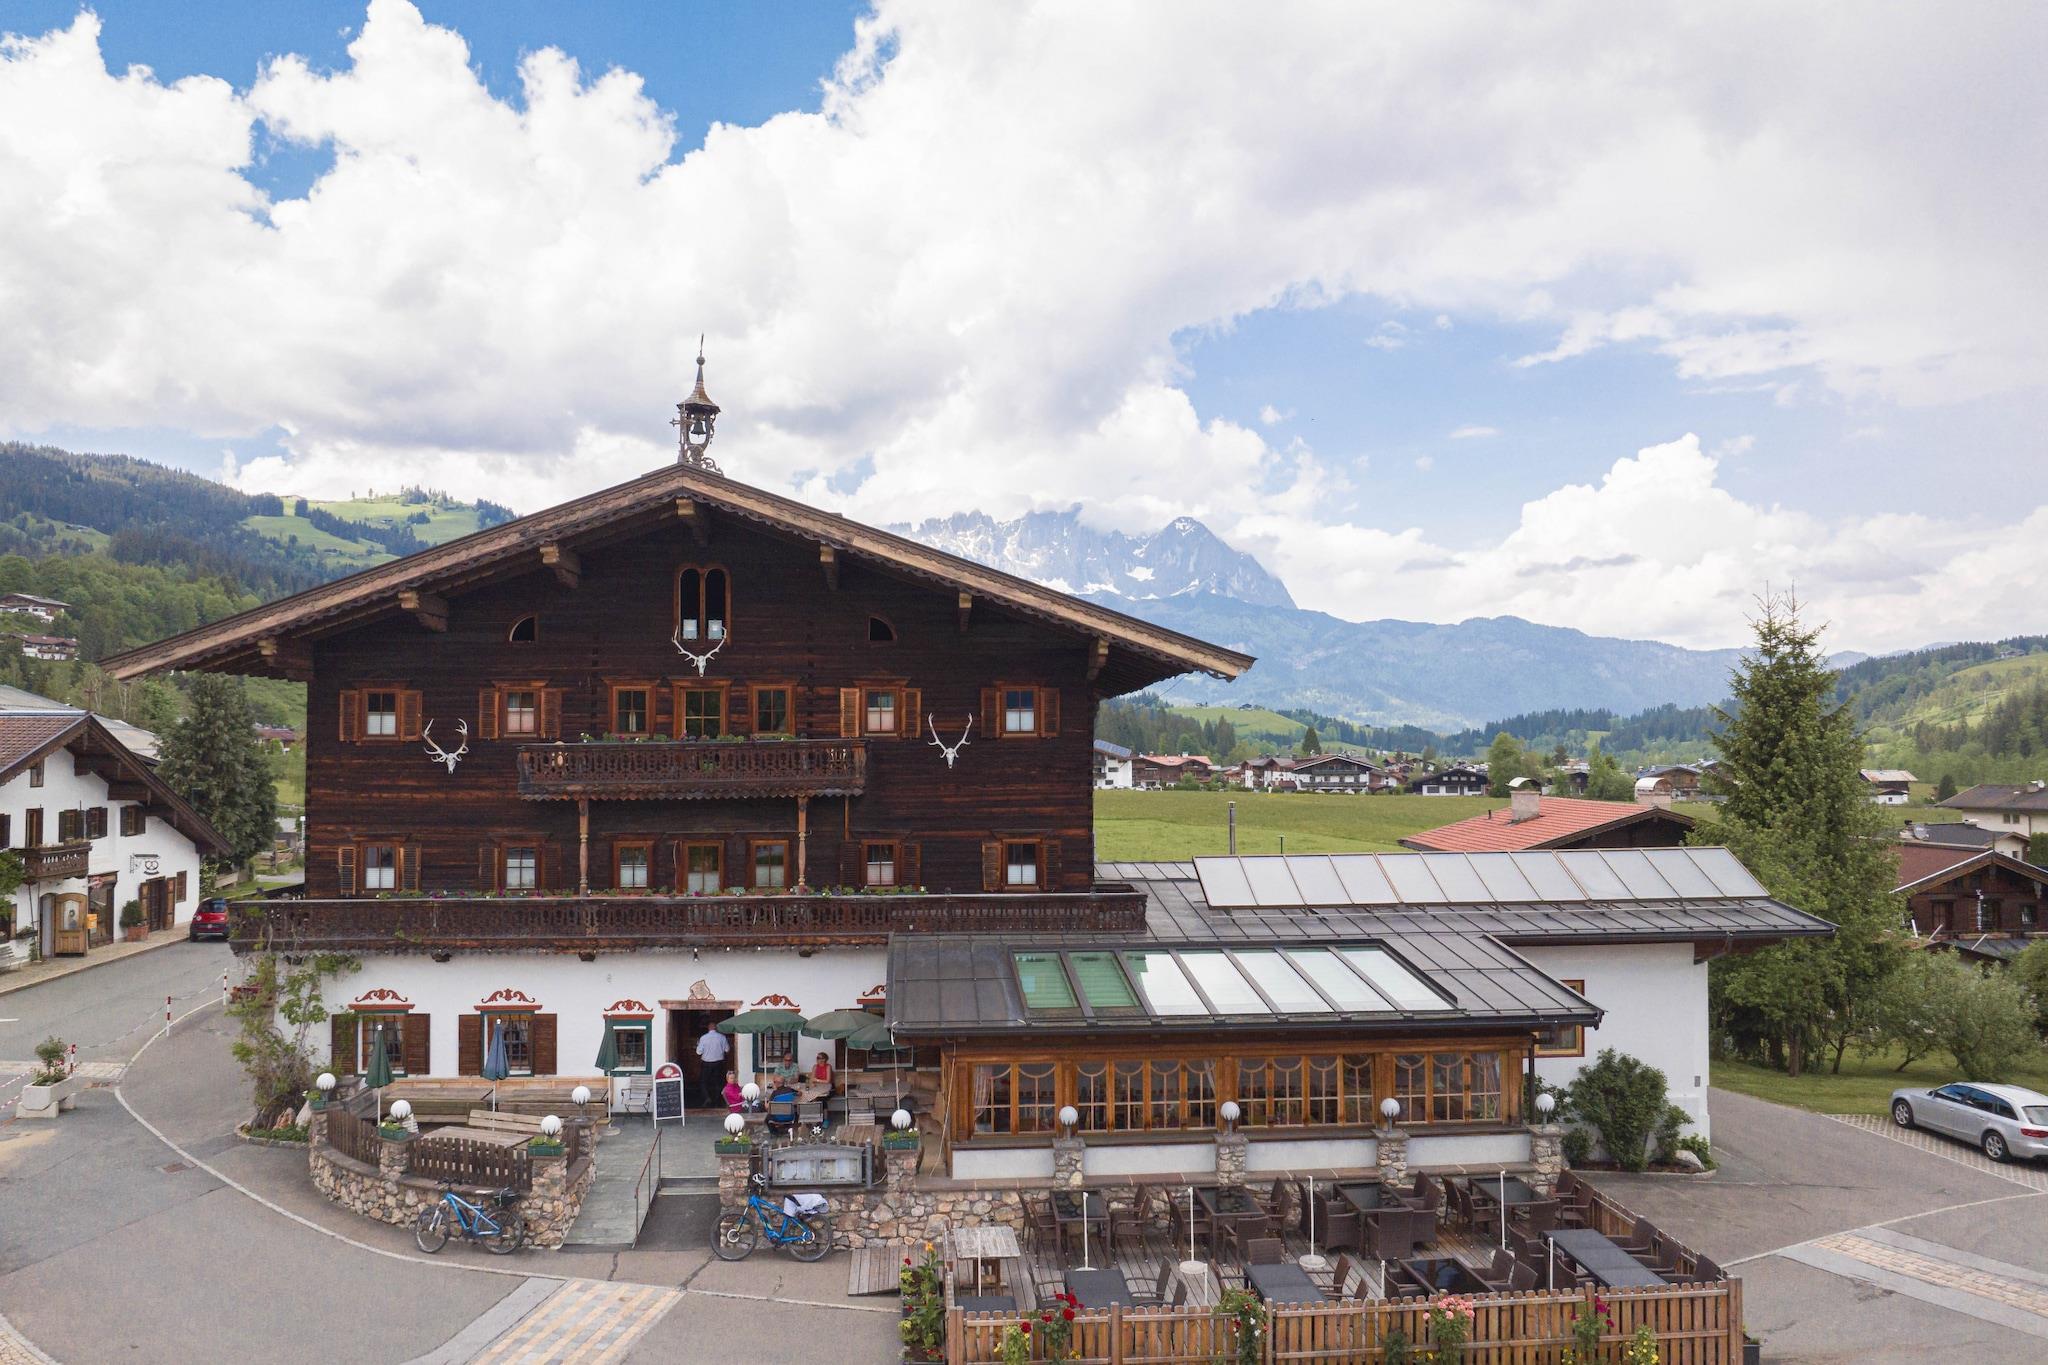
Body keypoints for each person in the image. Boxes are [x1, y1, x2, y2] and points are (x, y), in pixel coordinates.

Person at [696, 1023, 730, 1108]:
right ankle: (717, 1100)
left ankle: (707, 1097)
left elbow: (698, 1052)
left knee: (703, 1082)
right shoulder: (722, 1037)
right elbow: (727, 1049)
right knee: (718, 1082)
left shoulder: (703, 1038)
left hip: (706, 1063)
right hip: (718, 1062)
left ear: (708, 1028)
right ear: (716, 1028)